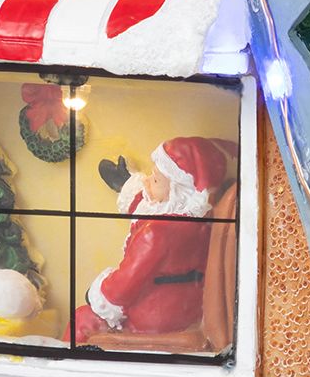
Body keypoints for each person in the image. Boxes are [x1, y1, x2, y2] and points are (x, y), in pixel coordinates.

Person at [73, 137, 226, 343]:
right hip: (186, 309)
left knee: (81, 320)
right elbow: (150, 204)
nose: (146, 182)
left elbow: (124, 284)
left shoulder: (157, 233)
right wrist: (127, 184)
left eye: (155, 180)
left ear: (179, 190)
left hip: (153, 317)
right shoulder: (199, 221)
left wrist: (98, 295)